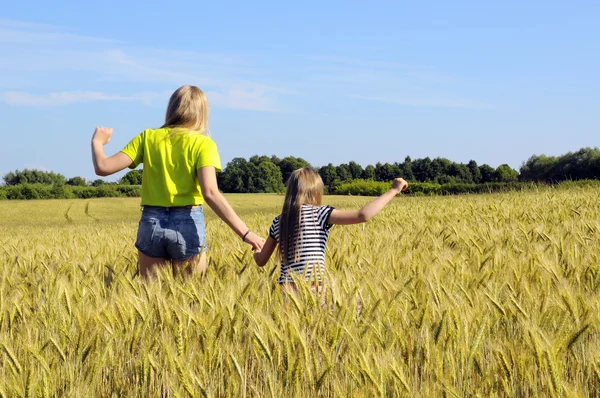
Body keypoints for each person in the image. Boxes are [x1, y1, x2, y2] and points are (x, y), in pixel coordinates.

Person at [91, 85, 264, 278]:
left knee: (152, 298)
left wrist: (98, 142)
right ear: (202, 113)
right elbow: (211, 193)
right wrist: (246, 234)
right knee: (190, 297)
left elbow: (103, 167)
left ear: (171, 108)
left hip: (151, 223)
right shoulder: (203, 144)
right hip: (188, 222)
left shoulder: (147, 137)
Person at [253, 167, 407, 294]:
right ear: (317, 193)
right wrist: (393, 190)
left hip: (288, 290)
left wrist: (256, 249)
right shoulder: (320, 213)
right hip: (315, 287)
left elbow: (261, 261)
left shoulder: (278, 221)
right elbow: (363, 215)